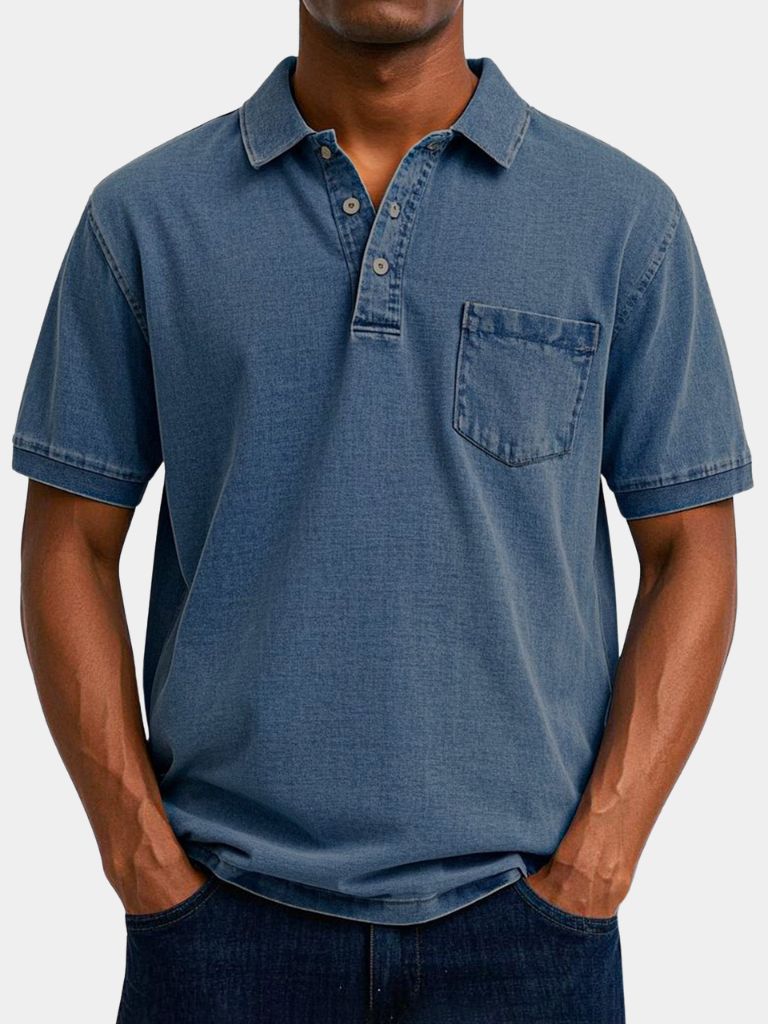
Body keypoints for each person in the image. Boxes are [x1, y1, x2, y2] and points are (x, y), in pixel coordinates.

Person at [12, 2, 752, 1022]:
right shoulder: (144, 219)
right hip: (221, 932)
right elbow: (71, 542)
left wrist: (600, 859)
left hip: (526, 934)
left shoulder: (622, 221)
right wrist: (137, 853)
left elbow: (690, 549)